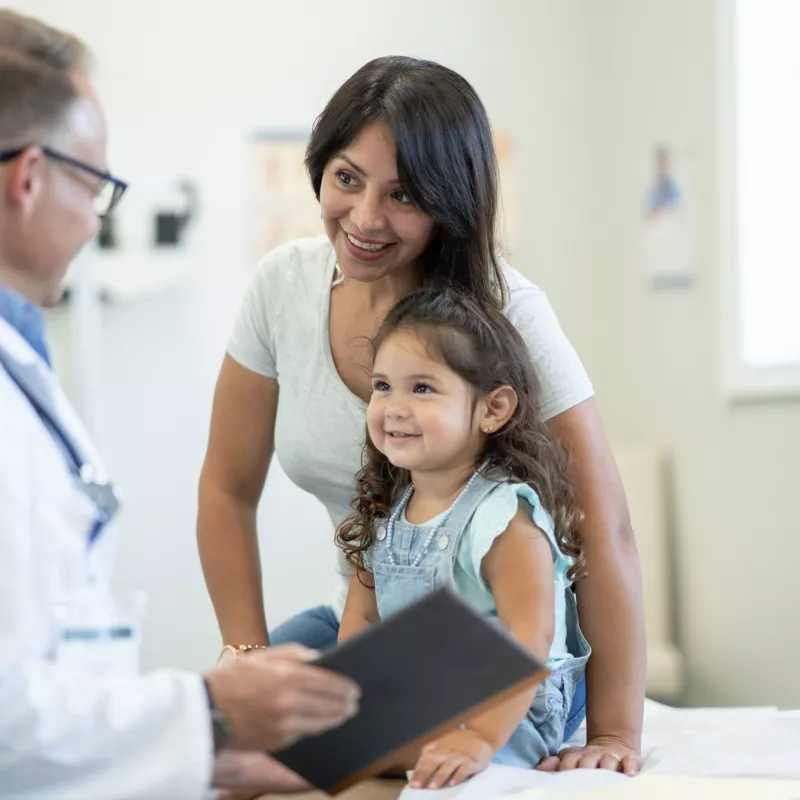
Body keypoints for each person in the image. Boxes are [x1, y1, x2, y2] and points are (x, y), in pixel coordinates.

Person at [198, 55, 646, 775]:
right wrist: (247, 662)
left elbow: (604, 526)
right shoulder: (283, 287)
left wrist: (618, 733)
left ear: (450, 201)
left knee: (312, 763)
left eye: (403, 195)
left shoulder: (509, 316)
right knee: (206, 739)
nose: (365, 218)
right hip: (368, 624)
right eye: (347, 178)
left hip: (494, 655)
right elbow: (226, 489)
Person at [0, 11, 359, 799]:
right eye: (94, 184)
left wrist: (205, 755)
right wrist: (209, 706)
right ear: (27, 179)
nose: (97, 219)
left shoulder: (20, 358)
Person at [336, 286, 591, 789]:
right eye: (383, 386)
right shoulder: (387, 510)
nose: (394, 406)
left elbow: (530, 638)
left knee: (353, 754)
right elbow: (361, 620)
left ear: (491, 409)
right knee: (291, 733)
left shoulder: (502, 516)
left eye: (423, 388)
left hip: (505, 705)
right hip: (423, 696)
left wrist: (478, 736)